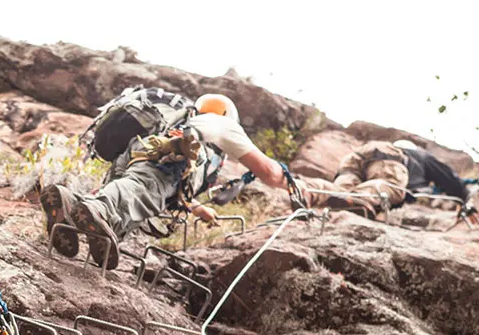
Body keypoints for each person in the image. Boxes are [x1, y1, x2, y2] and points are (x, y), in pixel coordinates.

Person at [42, 92, 293, 269]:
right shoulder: (222, 125)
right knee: (143, 191)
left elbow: (175, 191)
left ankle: (70, 205)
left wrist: (198, 209)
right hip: (172, 154)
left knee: (131, 203)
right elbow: (268, 173)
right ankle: (98, 208)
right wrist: (290, 183)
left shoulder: (179, 116)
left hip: (139, 149)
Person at [304, 139, 478, 221]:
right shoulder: (419, 155)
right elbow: (448, 179)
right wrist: (464, 197)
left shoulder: (385, 150)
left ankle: (308, 191)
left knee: (340, 192)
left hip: (355, 156)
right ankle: (361, 199)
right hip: (383, 155)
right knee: (387, 187)